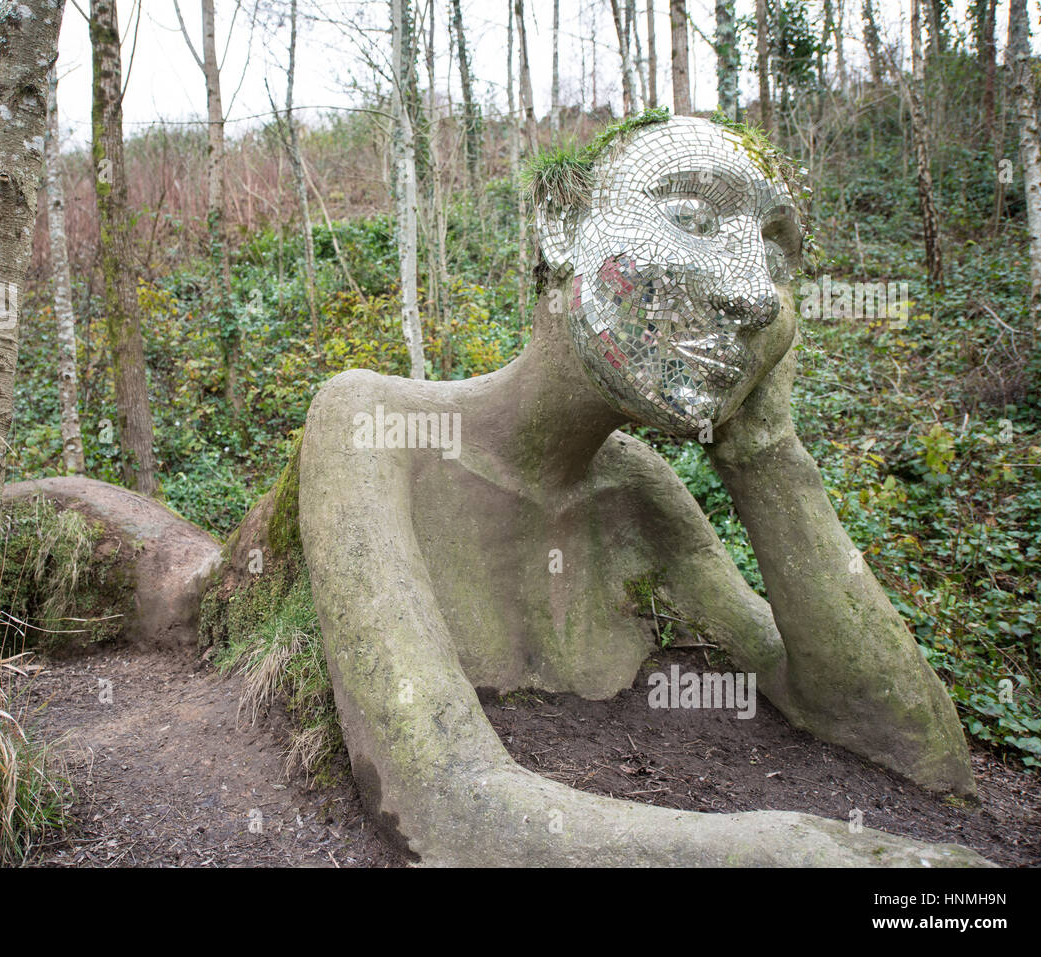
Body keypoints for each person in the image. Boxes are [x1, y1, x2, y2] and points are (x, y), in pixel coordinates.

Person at [297, 115, 981, 866]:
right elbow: (444, 799)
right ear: (562, 224)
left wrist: (767, 454)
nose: (755, 295)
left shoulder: (637, 492)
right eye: (691, 217)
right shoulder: (372, 424)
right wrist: (801, 852)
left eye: (774, 255)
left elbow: (907, 741)